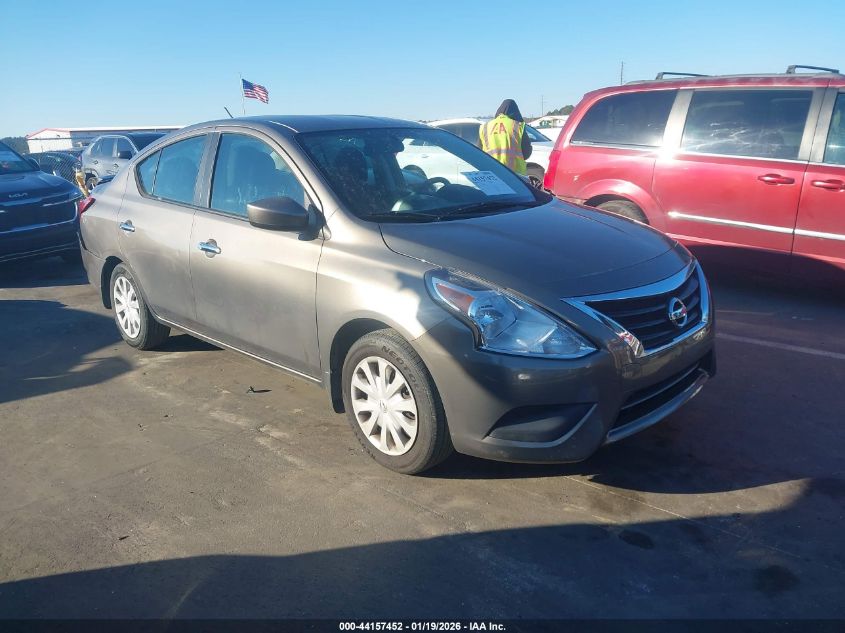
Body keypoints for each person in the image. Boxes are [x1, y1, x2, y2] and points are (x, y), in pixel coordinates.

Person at [479, 99, 532, 175]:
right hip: (515, 176)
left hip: (492, 175)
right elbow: (527, 153)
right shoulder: (517, 126)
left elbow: (479, 153)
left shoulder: (485, 127)